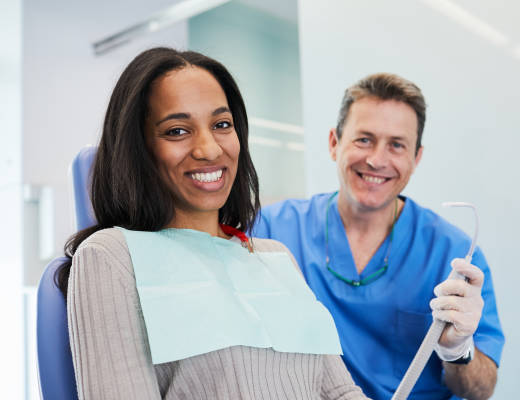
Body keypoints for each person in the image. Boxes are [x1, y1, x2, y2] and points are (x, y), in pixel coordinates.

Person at [55, 47, 370, 400]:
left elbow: (340, 392)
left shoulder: (273, 257)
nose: (208, 149)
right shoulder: (111, 257)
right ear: (139, 148)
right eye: (177, 131)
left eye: (222, 125)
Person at [253, 73, 504, 400]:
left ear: (416, 158)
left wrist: (457, 349)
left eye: (396, 145)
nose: (376, 160)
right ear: (334, 143)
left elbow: (481, 390)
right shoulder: (271, 229)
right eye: (364, 139)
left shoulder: (451, 253)